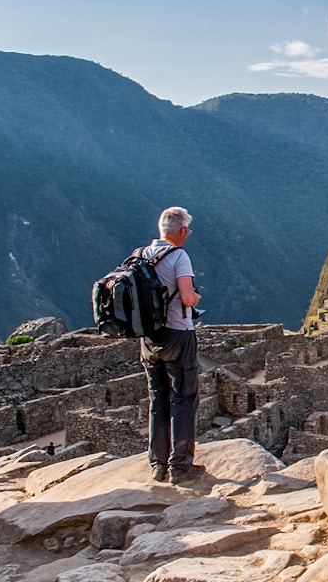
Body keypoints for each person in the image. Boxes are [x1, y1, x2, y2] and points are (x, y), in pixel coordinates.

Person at [140, 207, 205, 485]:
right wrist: (196, 298)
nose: (187, 236)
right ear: (181, 231)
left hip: (148, 338)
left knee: (158, 400)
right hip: (177, 334)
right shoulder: (179, 256)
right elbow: (187, 297)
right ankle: (181, 466)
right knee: (184, 397)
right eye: (187, 231)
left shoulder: (140, 255)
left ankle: (157, 464)